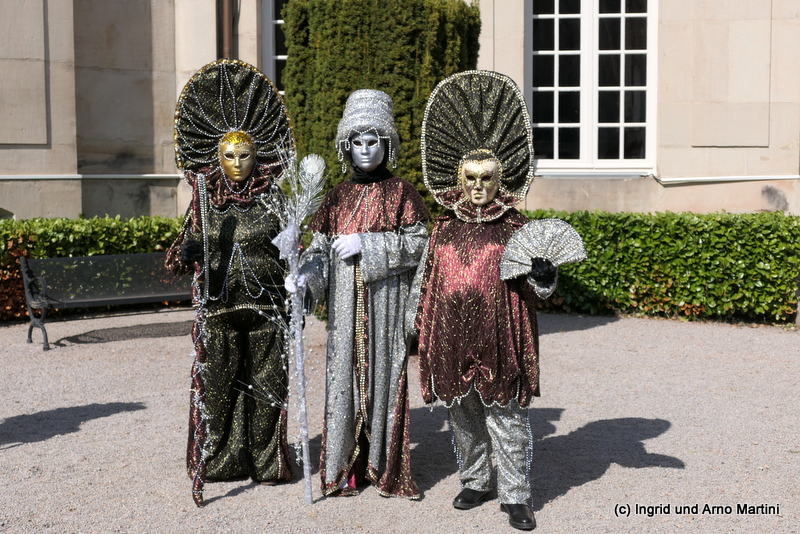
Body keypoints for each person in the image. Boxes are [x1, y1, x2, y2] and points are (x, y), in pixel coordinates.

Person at [409, 70, 566, 531]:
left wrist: (544, 277)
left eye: (488, 178)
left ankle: (516, 495)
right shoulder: (442, 227)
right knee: (462, 413)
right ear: (459, 178)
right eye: (471, 178)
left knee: (506, 415)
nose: (479, 186)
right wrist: (413, 324)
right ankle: (476, 479)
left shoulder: (517, 227)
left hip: (501, 335)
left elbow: (538, 288)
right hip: (451, 335)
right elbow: (426, 279)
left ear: (502, 179)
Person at [166, 59, 294, 507]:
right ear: (216, 157)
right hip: (219, 311)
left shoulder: (275, 199)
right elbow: (175, 258)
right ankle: (220, 459)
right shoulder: (205, 201)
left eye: (245, 155)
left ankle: (267, 461)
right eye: (229, 156)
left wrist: (298, 272)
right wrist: (188, 252)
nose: (238, 164)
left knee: (268, 389)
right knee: (218, 389)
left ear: (258, 155)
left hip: (267, 311)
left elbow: (295, 251)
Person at [298, 89, 429, 498]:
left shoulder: (402, 193)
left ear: (386, 144)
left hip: (386, 306)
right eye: (358, 142)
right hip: (344, 313)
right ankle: (346, 469)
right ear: (347, 146)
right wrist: (304, 279)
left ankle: (384, 466)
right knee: (343, 382)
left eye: (374, 141)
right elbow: (318, 251)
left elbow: (420, 244)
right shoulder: (336, 197)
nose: (366, 149)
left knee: (385, 380)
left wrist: (366, 245)